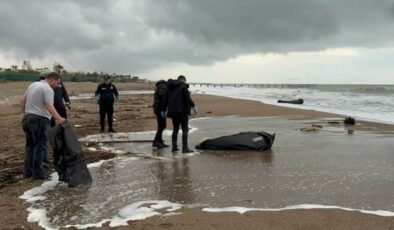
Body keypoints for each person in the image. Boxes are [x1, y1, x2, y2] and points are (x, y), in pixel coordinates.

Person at [20, 72, 66, 179]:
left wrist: (25, 113)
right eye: (57, 83)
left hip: (27, 118)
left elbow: (22, 100)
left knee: (29, 146)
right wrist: (59, 119)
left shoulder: (33, 85)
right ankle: (37, 174)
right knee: (39, 146)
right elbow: (49, 105)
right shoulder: (47, 89)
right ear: (53, 80)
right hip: (40, 120)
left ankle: (27, 172)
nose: (57, 86)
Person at [167, 75, 197, 153]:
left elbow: (165, 98)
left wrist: (164, 109)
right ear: (183, 80)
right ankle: (185, 148)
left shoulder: (170, 87)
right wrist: (193, 105)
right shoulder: (183, 87)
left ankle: (174, 147)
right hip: (182, 111)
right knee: (185, 129)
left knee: (175, 130)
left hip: (173, 112)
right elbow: (187, 98)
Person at [152, 80, 169, 148]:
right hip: (160, 109)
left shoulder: (160, 86)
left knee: (162, 125)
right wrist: (164, 109)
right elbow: (163, 97)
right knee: (162, 126)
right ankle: (156, 142)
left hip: (158, 108)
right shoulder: (163, 87)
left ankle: (160, 141)